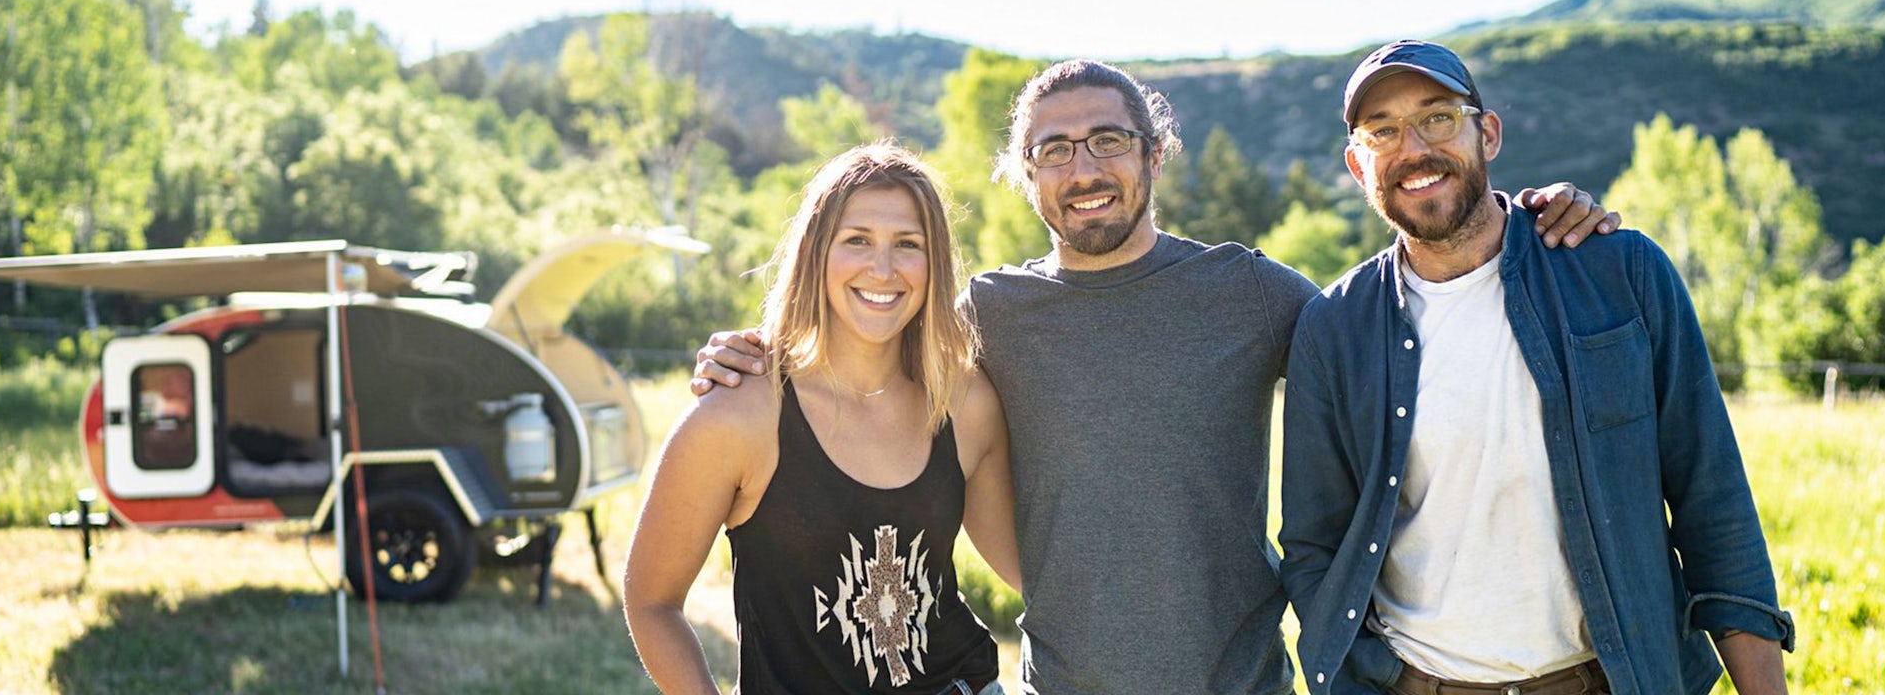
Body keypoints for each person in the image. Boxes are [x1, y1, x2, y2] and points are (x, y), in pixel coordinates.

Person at [694, 60, 1617, 694]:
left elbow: (1408, 304)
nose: (1083, 167)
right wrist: (751, 353)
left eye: (1107, 140)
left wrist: (1527, 216)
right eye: (1054, 149)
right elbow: (858, 340)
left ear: (1153, 154)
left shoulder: (1251, 292)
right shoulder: (983, 315)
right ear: (1024, 175)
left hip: (1243, 682)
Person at [1278, 40, 1793, 695]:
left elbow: (1714, 505)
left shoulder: (1618, 272)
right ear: (1358, 164)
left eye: (1438, 118)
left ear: (1487, 133)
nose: (1413, 149)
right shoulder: (1335, 327)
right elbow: (1314, 544)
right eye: (1383, 132)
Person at [624, 142, 1020, 695]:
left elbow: (1034, 572)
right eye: (857, 240)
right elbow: (651, 601)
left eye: (909, 244)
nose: (882, 268)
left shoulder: (964, 401)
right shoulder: (740, 413)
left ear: (935, 265)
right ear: (815, 252)